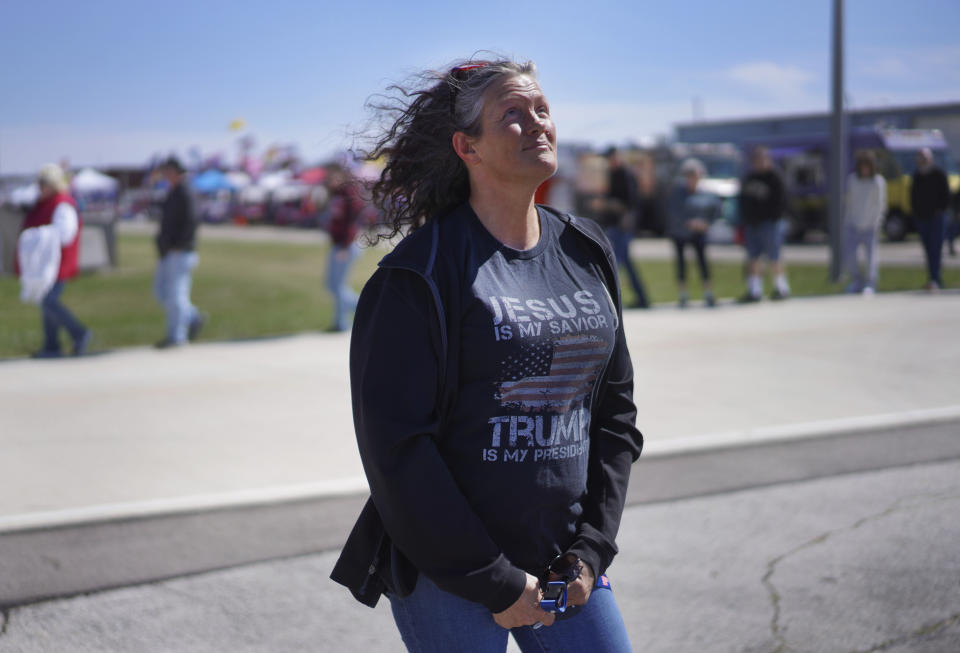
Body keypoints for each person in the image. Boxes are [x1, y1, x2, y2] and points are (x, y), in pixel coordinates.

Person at [330, 58, 643, 653]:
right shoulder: (416, 276)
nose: (538, 124)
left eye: (543, 110)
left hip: (567, 563)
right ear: (466, 146)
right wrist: (494, 582)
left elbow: (615, 416)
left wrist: (591, 549)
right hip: (451, 570)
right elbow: (396, 449)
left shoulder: (586, 250)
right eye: (513, 115)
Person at [18, 164, 91, 358]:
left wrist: (38, 236)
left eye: (44, 184)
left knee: (49, 301)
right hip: (44, 263)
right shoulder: (42, 203)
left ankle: (79, 333)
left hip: (56, 263)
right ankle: (52, 345)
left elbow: (65, 234)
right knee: (46, 301)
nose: (41, 188)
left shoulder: (62, 203)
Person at [154, 156, 204, 348]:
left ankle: (177, 336)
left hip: (180, 251)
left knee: (176, 295)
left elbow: (192, 220)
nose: (166, 175)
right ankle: (192, 316)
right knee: (161, 291)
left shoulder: (186, 191)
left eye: (168, 171)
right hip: (169, 251)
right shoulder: (174, 191)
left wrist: (180, 243)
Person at [595, 147, 649, 308]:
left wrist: (624, 215)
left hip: (623, 225)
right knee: (621, 262)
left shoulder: (626, 173)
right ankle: (640, 298)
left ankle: (615, 300)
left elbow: (632, 202)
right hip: (613, 224)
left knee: (617, 262)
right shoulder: (612, 174)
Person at [738, 146, 789, 301]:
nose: (759, 163)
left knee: (774, 256)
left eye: (762, 159)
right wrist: (745, 219)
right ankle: (755, 290)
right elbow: (742, 200)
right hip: (753, 224)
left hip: (770, 223)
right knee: (753, 257)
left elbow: (782, 202)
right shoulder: (750, 178)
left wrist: (774, 217)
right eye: (756, 160)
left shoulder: (775, 178)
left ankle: (781, 287)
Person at [666, 158, 718, 308]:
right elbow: (674, 211)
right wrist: (688, 222)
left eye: (695, 175)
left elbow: (715, 210)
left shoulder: (706, 194)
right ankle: (683, 295)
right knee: (681, 263)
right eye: (689, 175)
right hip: (680, 233)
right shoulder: (677, 192)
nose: (693, 179)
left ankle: (708, 293)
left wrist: (706, 223)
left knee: (703, 262)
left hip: (699, 233)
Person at [324, 164, 363, 332]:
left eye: (335, 176)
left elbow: (353, 222)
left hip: (346, 246)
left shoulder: (349, 193)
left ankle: (342, 323)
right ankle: (360, 309)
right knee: (332, 285)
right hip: (338, 244)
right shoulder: (335, 194)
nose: (331, 179)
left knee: (338, 286)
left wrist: (345, 246)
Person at [842, 151, 886, 295]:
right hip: (853, 224)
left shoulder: (878, 182)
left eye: (868, 166)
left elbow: (880, 204)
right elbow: (848, 202)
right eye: (862, 165)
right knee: (850, 256)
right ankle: (856, 281)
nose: (865, 169)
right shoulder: (852, 180)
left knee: (871, 258)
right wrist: (847, 221)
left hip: (870, 226)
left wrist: (876, 223)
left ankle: (870, 283)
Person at [911, 148, 951, 290]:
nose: (921, 160)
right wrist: (915, 214)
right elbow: (913, 197)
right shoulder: (917, 176)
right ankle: (933, 278)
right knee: (928, 250)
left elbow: (946, 196)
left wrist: (939, 210)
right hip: (922, 218)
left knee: (936, 248)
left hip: (937, 218)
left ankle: (936, 279)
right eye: (919, 157)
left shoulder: (938, 174)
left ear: (930, 158)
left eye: (924, 157)